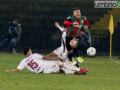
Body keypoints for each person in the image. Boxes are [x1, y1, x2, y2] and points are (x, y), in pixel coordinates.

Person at [5, 47, 88, 75]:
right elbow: (44, 58)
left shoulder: (23, 61)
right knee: (62, 64)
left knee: (60, 70)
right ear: (29, 52)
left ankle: (74, 72)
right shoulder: (34, 55)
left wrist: (8, 70)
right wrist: (54, 58)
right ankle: (79, 70)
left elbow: (17, 70)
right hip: (47, 65)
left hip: (45, 71)